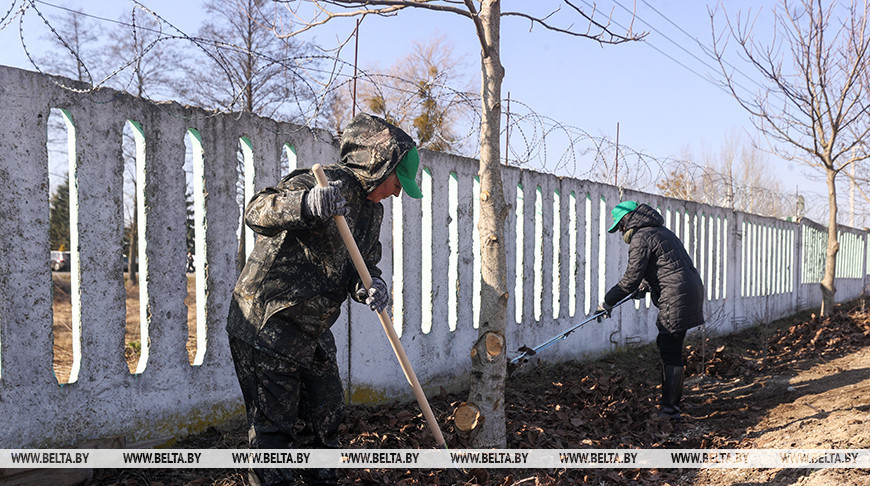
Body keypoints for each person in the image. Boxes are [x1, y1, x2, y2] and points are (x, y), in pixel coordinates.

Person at [226, 113, 423, 486]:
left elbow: (363, 265)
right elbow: (257, 210)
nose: (398, 192)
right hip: (268, 322)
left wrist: (370, 285)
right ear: (378, 166)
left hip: (312, 330)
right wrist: (305, 204)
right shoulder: (322, 183)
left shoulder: (372, 211)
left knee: (325, 418)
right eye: (398, 182)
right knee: (274, 435)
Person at [596, 200, 704, 420]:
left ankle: (669, 411)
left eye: (620, 227)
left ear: (628, 221)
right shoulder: (661, 231)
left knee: (669, 349)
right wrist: (646, 286)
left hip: (676, 294)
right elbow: (666, 265)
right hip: (689, 289)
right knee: (670, 346)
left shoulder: (641, 237)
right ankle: (670, 406)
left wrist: (607, 302)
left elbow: (630, 279)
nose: (621, 232)